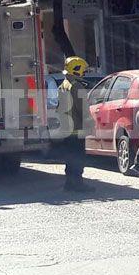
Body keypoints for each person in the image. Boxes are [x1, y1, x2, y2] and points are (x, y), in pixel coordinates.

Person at [57, 56, 95, 193]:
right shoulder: (76, 86)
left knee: (70, 156)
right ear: (76, 70)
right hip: (77, 128)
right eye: (83, 70)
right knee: (78, 157)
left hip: (66, 128)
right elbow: (83, 108)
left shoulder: (64, 84)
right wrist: (90, 123)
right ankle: (77, 184)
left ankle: (69, 183)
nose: (84, 73)